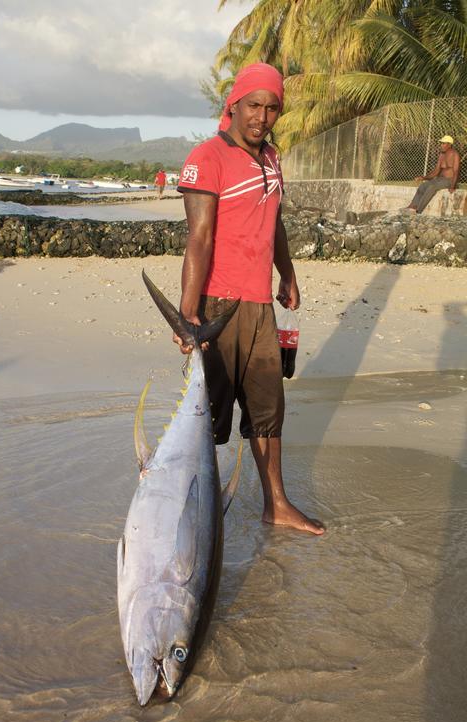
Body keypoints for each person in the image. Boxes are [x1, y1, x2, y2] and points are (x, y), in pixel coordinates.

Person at [175, 62, 325, 536]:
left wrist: (288, 273)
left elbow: (274, 220)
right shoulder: (209, 156)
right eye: (254, 105)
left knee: (267, 410)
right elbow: (198, 238)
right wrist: (188, 309)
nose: (262, 116)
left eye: (272, 107)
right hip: (218, 307)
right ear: (234, 104)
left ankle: (275, 504)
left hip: (261, 306)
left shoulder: (272, 159)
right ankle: (187, 514)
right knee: (205, 418)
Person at [406, 135, 460, 213]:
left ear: (449, 144)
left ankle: (418, 210)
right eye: (441, 143)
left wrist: (453, 186)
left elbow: (456, 171)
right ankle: (412, 206)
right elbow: (436, 171)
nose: (441, 145)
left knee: (432, 187)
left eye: (443, 143)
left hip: (449, 180)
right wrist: (423, 178)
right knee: (423, 185)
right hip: (439, 180)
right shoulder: (442, 155)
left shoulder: (455, 154)